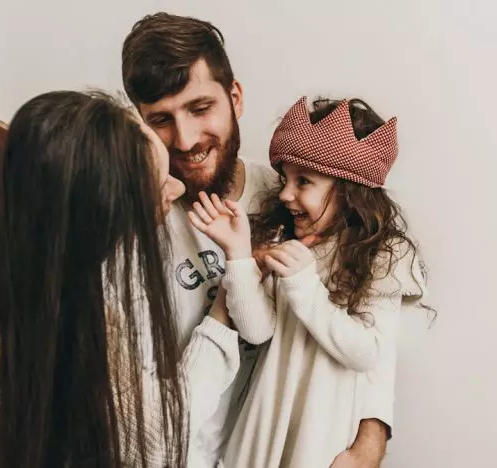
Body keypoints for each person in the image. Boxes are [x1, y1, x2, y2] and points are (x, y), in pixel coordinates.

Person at [122, 12, 394, 467]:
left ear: (235, 97)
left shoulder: (292, 198)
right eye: (161, 120)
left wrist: (370, 439)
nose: (186, 139)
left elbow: (371, 313)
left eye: (199, 108)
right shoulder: (130, 224)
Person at [0, 90, 241, 468]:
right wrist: (222, 314)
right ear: (109, 214)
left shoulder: (22, 256)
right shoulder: (70, 315)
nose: (178, 188)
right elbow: (157, 438)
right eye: (159, 185)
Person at [188, 96, 429, 467]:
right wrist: (238, 255)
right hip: (261, 429)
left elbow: (366, 353)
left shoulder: (381, 256)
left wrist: (305, 286)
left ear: (351, 193)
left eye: (304, 182)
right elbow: (257, 332)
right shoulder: (285, 241)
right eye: (286, 178)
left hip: (321, 437)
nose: (285, 193)